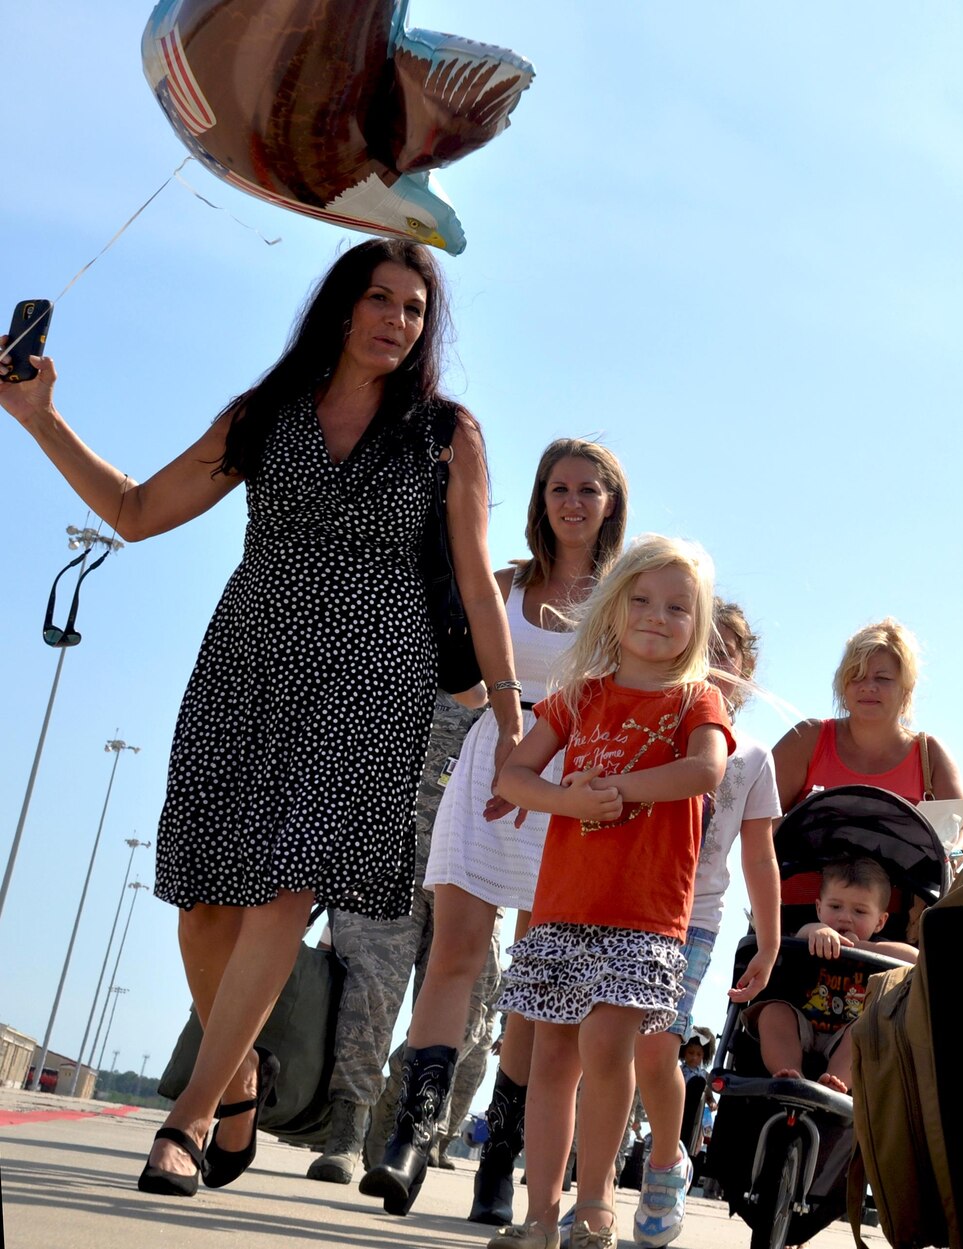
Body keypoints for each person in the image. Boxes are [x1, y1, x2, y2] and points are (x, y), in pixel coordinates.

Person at [0, 239, 523, 1197]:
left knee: (287, 888)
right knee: (204, 910)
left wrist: (507, 714)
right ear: (341, 306)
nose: (396, 321)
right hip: (247, 665)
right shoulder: (265, 413)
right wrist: (39, 417)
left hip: (373, 678)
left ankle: (187, 1122)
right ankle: (237, 1083)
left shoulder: (447, 433)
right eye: (379, 299)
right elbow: (133, 508)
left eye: (414, 308)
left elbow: (481, 583)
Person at [361, 437, 628, 1221]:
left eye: (588, 489)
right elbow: (448, 663)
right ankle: (413, 1136)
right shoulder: (504, 584)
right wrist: (499, 713)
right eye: (557, 488)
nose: (572, 501)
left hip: (575, 785)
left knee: (535, 982)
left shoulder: (625, 596)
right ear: (541, 500)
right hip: (493, 764)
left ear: (612, 503)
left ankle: (500, 1159)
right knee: (454, 950)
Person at [485, 534, 734, 1249]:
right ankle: (539, 1213)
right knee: (551, 1057)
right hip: (564, 906)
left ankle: (593, 1204)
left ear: (698, 622)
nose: (658, 616)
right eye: (643, 599)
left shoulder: (697, 699)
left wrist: (617, 790)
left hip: (644, 914)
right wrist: (570, 801)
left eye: (679, 607)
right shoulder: (580, 696)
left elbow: (705, 772)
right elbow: (514, 777)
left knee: (605, 1044)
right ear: (614, 606)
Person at [625, 601, 780, 1247]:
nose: (715, 663)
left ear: (746, 671)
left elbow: (758, 853)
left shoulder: (752, 758)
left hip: (692, 921)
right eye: (704, 647)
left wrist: (769, 940)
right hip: (621, 907)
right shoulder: (649, 726)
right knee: (601, 1048)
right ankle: (593, 1189)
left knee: (658, 1046)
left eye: (729, 653)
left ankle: (667, 1160)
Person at [308, 692, 502, 1184]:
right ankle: (346, 1131)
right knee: (368, 994)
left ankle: (400, 1098)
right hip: (388, 855)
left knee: (469, 1013)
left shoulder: (523, 680)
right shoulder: (417, 656)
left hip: (474, 865)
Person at [772, 618, 963, 838]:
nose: (868, 687)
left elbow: (961, 833)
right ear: (843, 686)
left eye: (882, 678)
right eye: (856, 677)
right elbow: (758, 818)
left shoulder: (930, 754)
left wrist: (951, 852)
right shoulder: (807, 739)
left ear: (906, 689)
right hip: (808, 872)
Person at [745, 857, 917, 1094]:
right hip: (801, 1023)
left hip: (847, 1030)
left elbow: (916, 958)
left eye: (859, 911)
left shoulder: (878, 947)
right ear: (819, 908)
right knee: (772, 1013)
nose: (845, 917)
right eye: (835, 907)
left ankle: (835, 1082)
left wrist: (863, 948)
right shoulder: (813, 932)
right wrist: (817, 931)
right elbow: (802, 934)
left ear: (880, 922)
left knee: (867, 1029)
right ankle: (789, 1073)